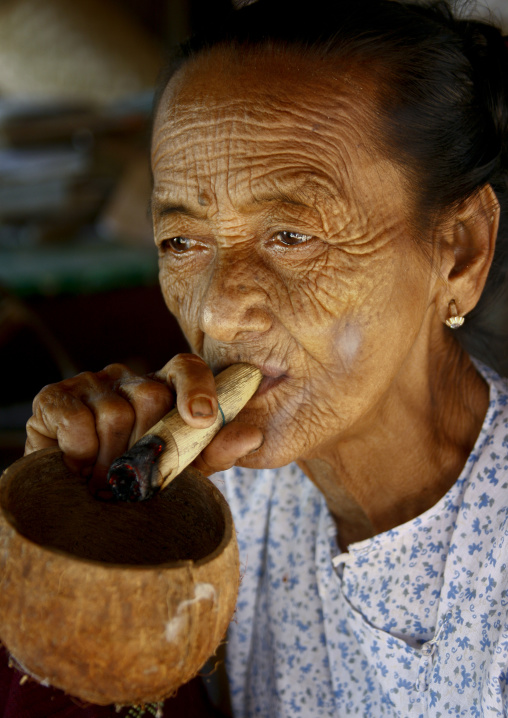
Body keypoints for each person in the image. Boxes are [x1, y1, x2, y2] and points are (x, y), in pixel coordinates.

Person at [23, 0, 508, 715]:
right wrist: (76, 541)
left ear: (457, 252)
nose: (216, 310)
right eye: (182, 244)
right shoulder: (208, 511)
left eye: (290, 235)